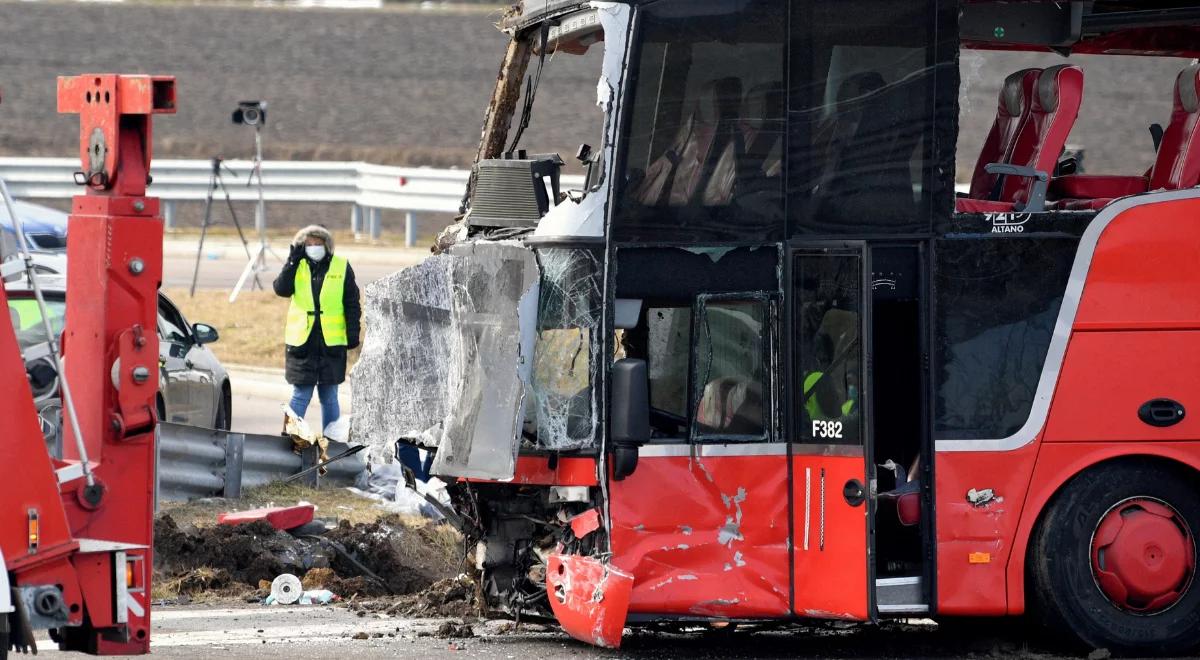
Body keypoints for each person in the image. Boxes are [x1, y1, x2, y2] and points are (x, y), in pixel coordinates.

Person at [273, 225, 361, 432]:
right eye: (309, 244)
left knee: (329, 396)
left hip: (331, 342)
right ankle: (290, 437)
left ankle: (332, 439)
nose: (313, 247)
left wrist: (353, 332)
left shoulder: (341, 266)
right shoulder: (297, 265)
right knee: (301, 394)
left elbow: (352, 303)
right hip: (302, 343)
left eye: (318, 243)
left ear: (326, 245)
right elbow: (281, 289)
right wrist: (292, 260)